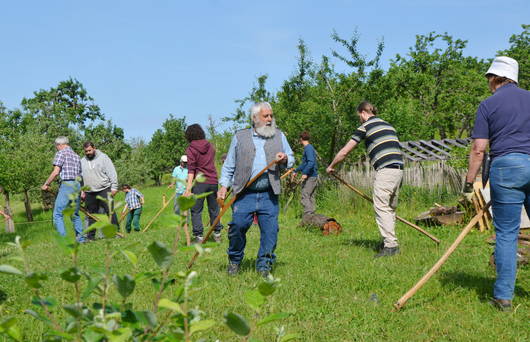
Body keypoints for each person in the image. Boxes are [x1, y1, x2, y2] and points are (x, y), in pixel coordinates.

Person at [463, 56, 530, 311]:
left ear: (496, 78)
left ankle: (503, 297)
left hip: (507, 169)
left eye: (489, 78)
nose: (488, 83)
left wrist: (470, 183)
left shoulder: (488, 105)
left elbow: (479, 149)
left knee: (506, 234)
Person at [218, 102, 294, 277]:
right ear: (254, 118)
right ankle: (234, 261)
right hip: (244, 194)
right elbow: (229, 165)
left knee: (270, 231)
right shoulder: (240, 137)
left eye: (271, 116)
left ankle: (264, 266)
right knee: (237, 226)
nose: (270, 119)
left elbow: (291, 158)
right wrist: (223, 186)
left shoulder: (279, 136)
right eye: (265, 116)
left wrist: (284, 159)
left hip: (269, 194)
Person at [327, 101, 404, 258]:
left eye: (359, 116)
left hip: (386, 170)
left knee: (381, 206)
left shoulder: (366, 126)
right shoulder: (388, 125)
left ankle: (390, 246)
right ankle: (390, 241)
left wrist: (331, 166)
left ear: (362, 112)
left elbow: (344, 152)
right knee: (389, 208)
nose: (359, 119)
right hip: (399, 170)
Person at [183, 124, 223, 243]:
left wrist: (188, 188)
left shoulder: (191, 149)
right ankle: (217, 234)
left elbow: (191, 170)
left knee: (196, 210)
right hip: (213, 181)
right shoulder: (210, 146)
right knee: (214, 209)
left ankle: (199, 237)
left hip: (200, 183)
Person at [41, 136, 84, 242]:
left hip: (67, 184)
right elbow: (81, 175)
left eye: (56, 146)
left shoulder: (61, 153)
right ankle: (81, 239)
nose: (56, 148)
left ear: (60, 145)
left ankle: (63, 240)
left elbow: (56, 172)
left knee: (57, 213)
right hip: (77, 185)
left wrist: (46, 184)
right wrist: (82, 190)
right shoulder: (76, 156)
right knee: (75, 214)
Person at [80, 142, 119, 240]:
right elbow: (80, 177)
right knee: (91, 215)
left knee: (110, 212)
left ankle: (116, 233)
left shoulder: (103, 158)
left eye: (89, 150)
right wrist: (82, 191)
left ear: (94, 148)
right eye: (86, 151)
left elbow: (112, 172)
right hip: (89, 192)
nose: (88, 153)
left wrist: (114, 187)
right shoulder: (82, 161)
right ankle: (90, 237)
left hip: (104, 189)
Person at [293, 131, 318, 216]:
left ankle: (308, 215)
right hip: (311, 176)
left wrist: (304, 173)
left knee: (305, 194)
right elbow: (305, 164)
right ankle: (312, 216)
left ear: (301, 139)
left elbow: (311, 162)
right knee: (310, 196)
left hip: (311, 176)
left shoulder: (308, 148)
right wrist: (296, 170)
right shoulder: (308, 148)